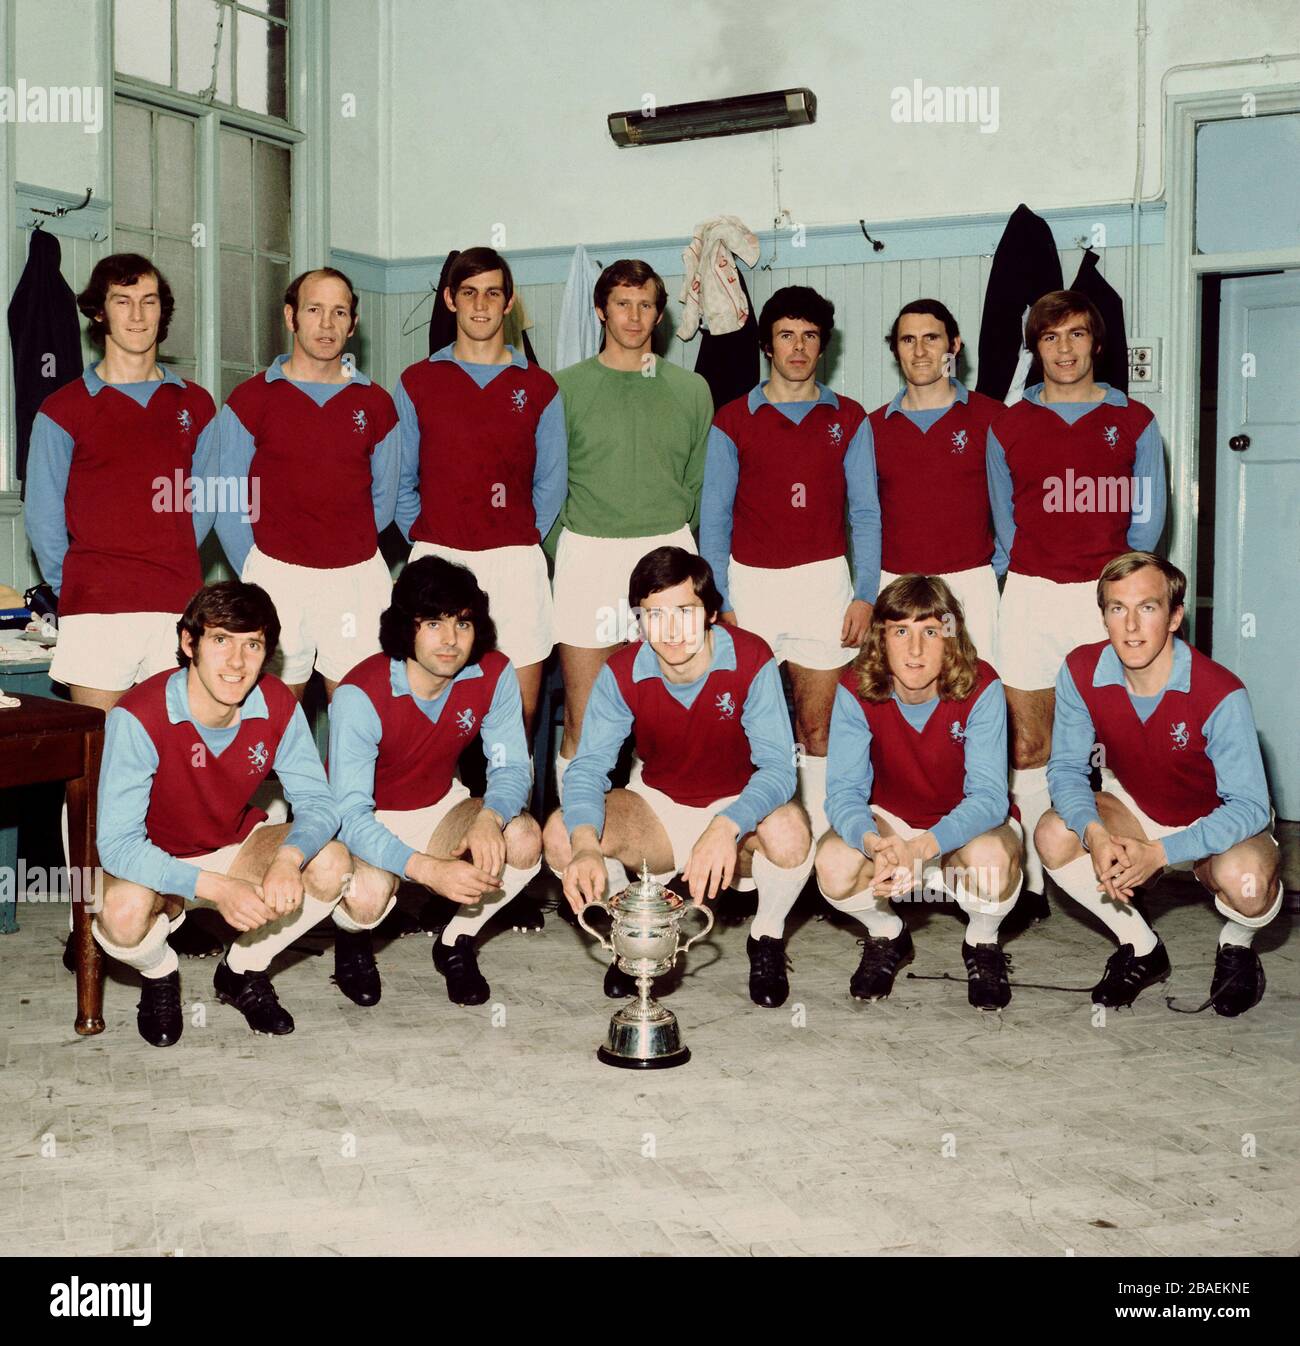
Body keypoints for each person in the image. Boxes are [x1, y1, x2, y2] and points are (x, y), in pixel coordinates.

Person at [544, 546, 812, 1008]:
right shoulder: (622, 671)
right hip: (661, 809)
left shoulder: (750, 656)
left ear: (710, 613)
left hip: (737, 812)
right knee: (561, 834)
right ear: (638, 621)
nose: (670, 630)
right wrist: (586, 843)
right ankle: (634, 939)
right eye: (654, 615)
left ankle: (766, 937)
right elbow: (588, 767)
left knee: (790, 831)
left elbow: (778, 768)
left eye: (684, 612)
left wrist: (726, 825)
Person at [92, 582, 353, 1046]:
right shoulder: (138, 715)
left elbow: (318, 803)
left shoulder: (275, 702)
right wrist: (216, 888)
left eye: (251, 644)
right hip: (156, 861)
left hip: (233, 843)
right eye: (220, 641)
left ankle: (241, 971)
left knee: (330, 861)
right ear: (188, 643)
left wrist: (288, 859)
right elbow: (116, 845)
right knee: (123, 914)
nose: (236, 662)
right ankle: (160, 973)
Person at [1036, 552, 1279, 1014]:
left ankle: (1237, 947)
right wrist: (1096, 833)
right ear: (1103, 614)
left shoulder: (1219, 691)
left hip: (1218, 824)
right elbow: (1066, 769)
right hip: (1139, 810)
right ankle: (1143, 948)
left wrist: (1163, 854)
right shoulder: (1080, 671)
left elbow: (1248, 804)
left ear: (1174, 616)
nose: (1130, 627)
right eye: (1116, 608)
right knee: (1053, 832)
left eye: (1147, 608)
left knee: (1246, 885)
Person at [986, 289, 1166, 910]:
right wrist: (1022, 577)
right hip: (1032, 595)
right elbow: (1004, 522)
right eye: (1050, 337)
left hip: (1106, 599)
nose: (1065, 350)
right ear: (1036, 348)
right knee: (1029, 742)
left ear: (1097, 341)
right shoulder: (1008, 423)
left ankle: (1121, 867)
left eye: (1077, 335)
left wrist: (1122, 591)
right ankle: (1039, 879)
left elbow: (1146, 525)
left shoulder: (1135, 421)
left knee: (1114, 737)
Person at [700, 285, 879, 842]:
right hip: (750, 586)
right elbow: (715, 522)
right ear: (767, 345)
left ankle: (826, 855)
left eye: (809, 336)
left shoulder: (849, 418)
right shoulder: (733, 419)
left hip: (824, 582)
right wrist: (720, 600)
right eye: (786, 335)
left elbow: (867, 514)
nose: (798, 347)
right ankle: (742, 857)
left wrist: (865, 594)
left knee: (820, 727)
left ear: (823, 345)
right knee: (739, 726)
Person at [329, 556, 541, 1006]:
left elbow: (510, 767)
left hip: (440, 807)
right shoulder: (358, 694)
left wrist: (489, 817)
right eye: (433, 623)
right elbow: (348, 813)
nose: (450, 640)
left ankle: (455, 940)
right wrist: (428, 870)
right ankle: (352, 938)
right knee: (368, 895)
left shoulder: (494, 673)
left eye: (463, 624)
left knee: (520, 835)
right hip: (366, 819)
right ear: (406, 627)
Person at [816, 575, 1022, 1010]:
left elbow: (988, 798)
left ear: (951, 639)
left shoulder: (982, 685)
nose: (915, 650)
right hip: (892, 822)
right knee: (833, 862)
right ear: (881, 639)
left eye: (930, 631)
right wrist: (874, 841)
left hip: (965, 828)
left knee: (993, 862)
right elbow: (843, 793)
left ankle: (982, 943)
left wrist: (923, 847)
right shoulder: (856, 687)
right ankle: (887, 934)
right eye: (900, 632)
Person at [26, 253, 217, 711]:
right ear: (98, 311)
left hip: (176, 604)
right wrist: (77, 585)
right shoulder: (63, 409)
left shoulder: (198, 404)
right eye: (122, 301)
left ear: (161, 312)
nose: (136, 315)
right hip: (95, 611)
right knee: (102, 757)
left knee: (170, 756)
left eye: (148, 301)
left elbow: (207, 501)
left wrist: (164, 553)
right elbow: (43, 515)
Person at [550, 261, 714, 789]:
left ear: (659, 314)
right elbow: (549, 488)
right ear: (600, 310)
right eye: (622, 303)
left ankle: (663, 837)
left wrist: (675, 548)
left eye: (646, 304)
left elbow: (697, 488)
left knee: (669, 711)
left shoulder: (691, 390)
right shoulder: (565, 389)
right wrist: (572, 547)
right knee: (585, 714)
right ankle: (582, 848)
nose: (634, 316)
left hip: (666, 556)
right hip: (587, 556)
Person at [395, 247, 565, 735]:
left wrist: (523, 531)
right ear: (450, 299)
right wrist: (425, 535)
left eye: (493, 293)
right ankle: (445, 810)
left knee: (519, 716)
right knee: (437, 715)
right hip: (437, 559)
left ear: (509, 303)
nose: (481, 305)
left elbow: (550, 481)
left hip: (516, 561)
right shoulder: (418, 381)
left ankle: (511, 811)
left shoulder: (538, 387)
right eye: (468, 293)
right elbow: (400, 480)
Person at [214, 267, 400, 702]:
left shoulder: (376, 403)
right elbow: (227, 502)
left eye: (340, 312)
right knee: (269, 713)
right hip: (275, 575)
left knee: (363, 713)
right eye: (314, 309)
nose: (327, 323)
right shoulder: (250, 400)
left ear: (353, 325)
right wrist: (260, 568)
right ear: (290, 316)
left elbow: (385, 500)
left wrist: (343, 550)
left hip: (357, 578)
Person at [867, 299, 1002, 659]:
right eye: (908, 340)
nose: (921, 350)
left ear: (954, 345)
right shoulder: (871, 428)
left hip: (969, 585)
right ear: (895, 350)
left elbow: (1018, 503)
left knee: (973, 693)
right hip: (896, 586)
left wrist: (994, 568)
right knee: (903, 696)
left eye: (931, 338)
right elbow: (862, 517)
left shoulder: (993, 418)